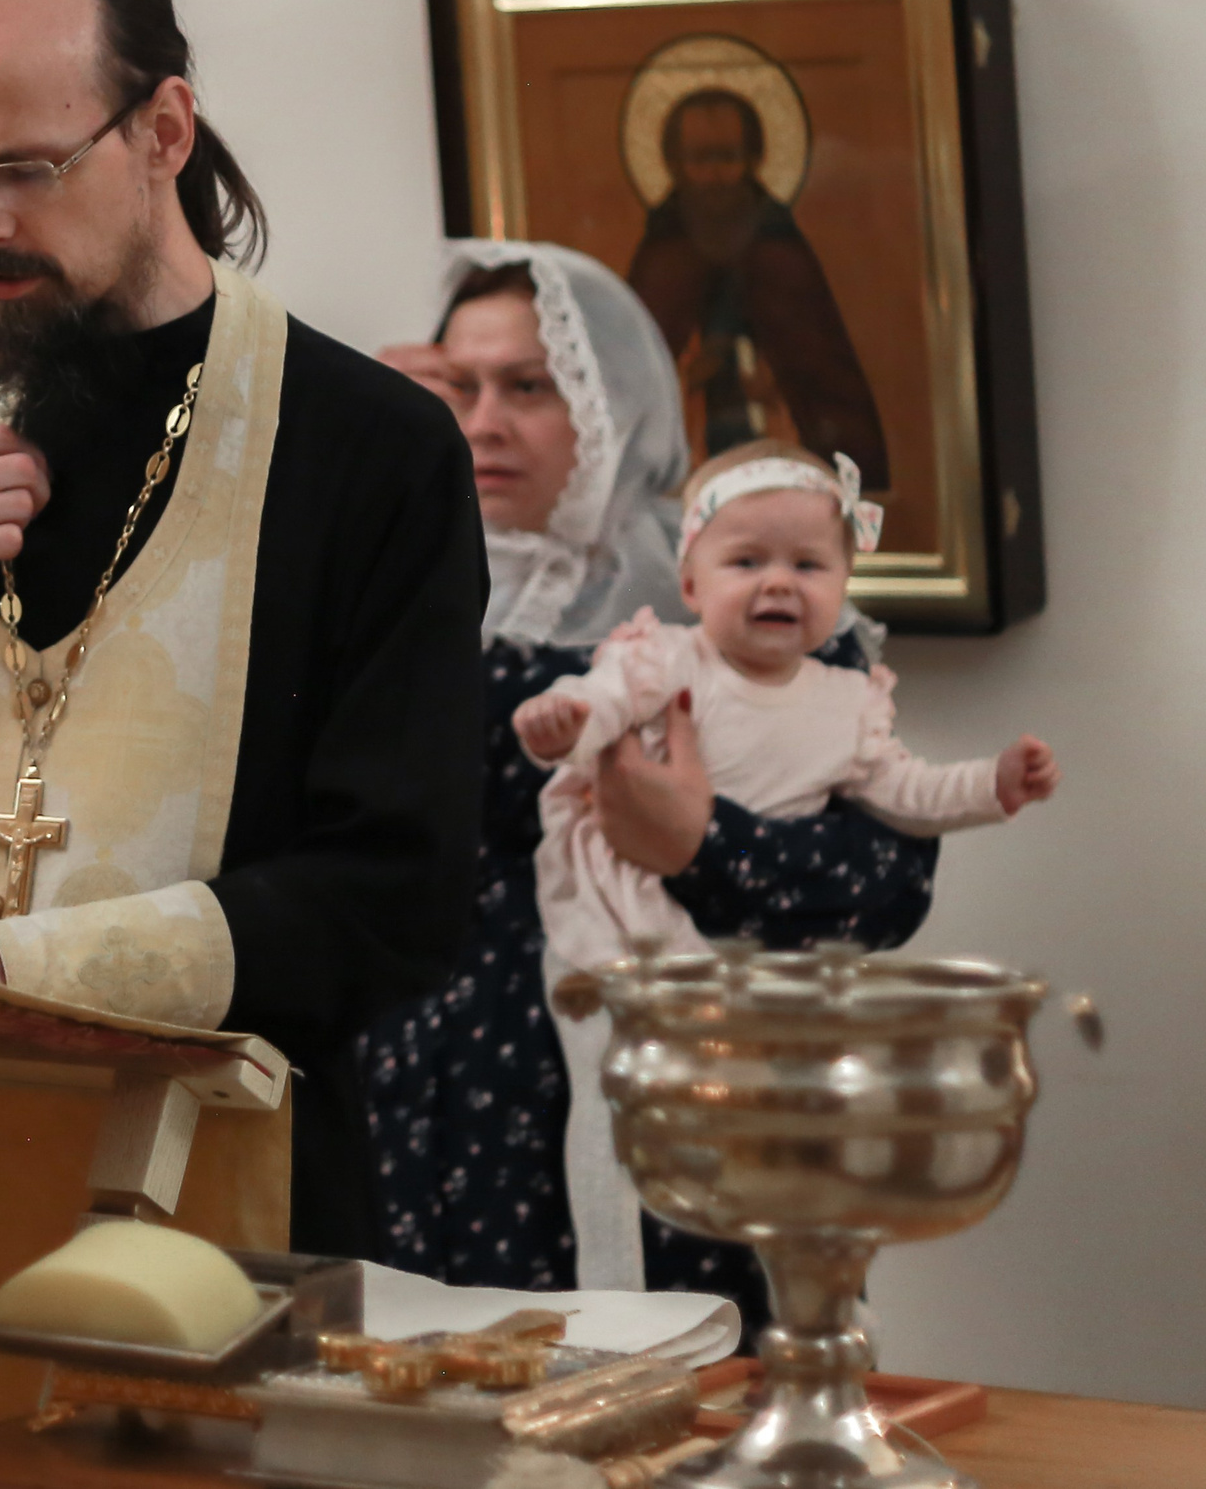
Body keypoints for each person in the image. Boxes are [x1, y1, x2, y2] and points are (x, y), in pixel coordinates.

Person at [0, 0, 487, 1257]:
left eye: (22, 169)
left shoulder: (367, 448)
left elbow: (395, 895)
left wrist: (7, 970)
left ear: (164, 130)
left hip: (226, 1204)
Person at [361, 242, 940, 1330]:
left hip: (690, 1109)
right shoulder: (390, 580)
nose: (485, 421)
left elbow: (886, 882)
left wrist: (699, 845)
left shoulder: (738, 585)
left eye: (531, 386)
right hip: (432, 1120)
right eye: (461, 383)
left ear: (617, 398)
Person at [514, 440, 1059, 1288]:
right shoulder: (666, 659)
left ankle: (795, 1288)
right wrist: (564, 721)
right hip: (626, 904)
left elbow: (904, 792)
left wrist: (993, 783)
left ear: (843, 588)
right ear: (691, 585)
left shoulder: (848, 701)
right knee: (619, 1086)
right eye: (747, 561)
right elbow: (604, 703)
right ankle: (616, 1282)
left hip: (754, 944)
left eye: (809, 564)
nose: (779, 582)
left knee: (767, 1125)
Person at [626, 88, 891, 486]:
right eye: (700, 159)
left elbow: (825, 381)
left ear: (754, 158)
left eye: (728, 157)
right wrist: (688, 374)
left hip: (781, 450)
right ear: (675, 164)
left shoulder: (781, 256)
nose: (715, 175)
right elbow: (632, 382)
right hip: (687, 454)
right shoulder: (664, 260)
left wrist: (774, 381)